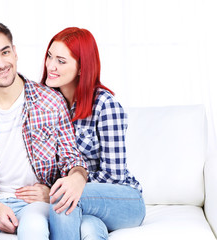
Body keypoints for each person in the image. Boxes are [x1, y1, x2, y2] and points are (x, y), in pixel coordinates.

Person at [0, 19, 88, 240]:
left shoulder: (51, 102)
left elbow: (71, 158)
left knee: (34, 229)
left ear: (14, 52)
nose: (1, 64)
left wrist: (77, 177)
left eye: (5, 52)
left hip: (34, 202)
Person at [41, 27, 146, 239]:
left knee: (63, 196)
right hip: (85, 204)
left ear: (81, 68)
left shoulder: (105, 106)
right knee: (89, 228)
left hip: (123, 200)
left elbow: (113, 177)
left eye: (61, 61)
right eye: (50, 56)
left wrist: (72, 182)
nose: (51, 66)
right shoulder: (46, 105)